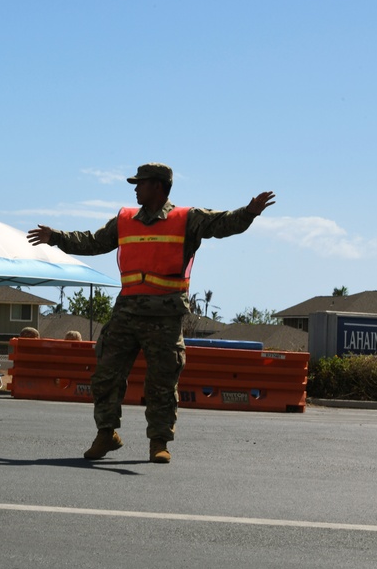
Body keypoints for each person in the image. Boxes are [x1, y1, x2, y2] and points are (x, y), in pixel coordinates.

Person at [27, 163, 275, 463]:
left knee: (162, 380)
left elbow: (223, 224)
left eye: (140, 183)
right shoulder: (125, 220)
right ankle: (106, 434)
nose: (135, 188)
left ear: (157, 186)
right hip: (126, 312)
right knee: (106, 374)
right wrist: (57, 237)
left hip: (165, 316)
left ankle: (159, 442)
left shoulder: (187, 219)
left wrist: (249, 212)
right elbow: (94, 242)